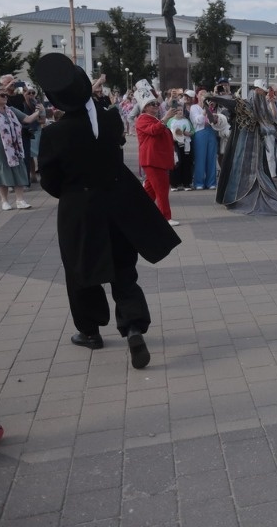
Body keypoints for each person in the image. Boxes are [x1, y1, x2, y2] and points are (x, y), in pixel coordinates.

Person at [35, 53, 181, 368]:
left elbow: (50, 181)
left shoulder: (54, 134)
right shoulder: (110, 118)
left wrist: (73, 193)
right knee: (123, 270)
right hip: (119, 204)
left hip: (80, 210)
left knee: (81, 271)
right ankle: (132, 327)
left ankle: (90, 332)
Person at [213, 80, 277, 216]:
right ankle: (240, 196)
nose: (263, 95)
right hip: (243, 147)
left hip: (257, 147)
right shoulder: (245, 104)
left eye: (264, 93)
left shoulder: (263, 107)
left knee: (258, 170)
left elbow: (271, 123)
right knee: (242, 170)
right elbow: (231, 104)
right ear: (255, 90)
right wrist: (213, 97)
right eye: (262, 92)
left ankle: (260, 193)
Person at [136, 94, 180, 226]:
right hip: (153, 159)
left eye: (156, 103)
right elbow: (154, 131)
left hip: (156, 159)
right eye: (152, 104)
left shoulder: (153, 119)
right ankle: (165, 217)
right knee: (161, 189)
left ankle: (139, 213)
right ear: (145, 107)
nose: (156, 106)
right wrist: (165, 118)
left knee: (150, 190)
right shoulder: (143, 119)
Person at [0, 85, 42, 210]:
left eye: (5, 95)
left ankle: (20, 200)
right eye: (2, 95)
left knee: (19, 168)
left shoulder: (10, 110)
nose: (5, 97)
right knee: (2, 171)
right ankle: (4, 201)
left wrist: (38, 111)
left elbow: (27, 119)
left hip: (15, 145)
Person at [189, 89, 218, 190]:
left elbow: (215, 120)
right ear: (197, 96)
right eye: (201, 93)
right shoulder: (194, 107)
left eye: (205, 93)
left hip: (211, 132)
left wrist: (212, 109)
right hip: (200, 133)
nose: (203, 95)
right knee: (200, 158)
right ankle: (199, 182)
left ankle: (211, 182)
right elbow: (197, 121)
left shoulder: (212, 106)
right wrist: (205, 111)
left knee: (211, 158)